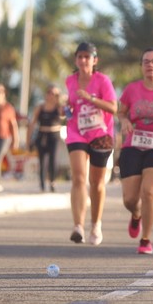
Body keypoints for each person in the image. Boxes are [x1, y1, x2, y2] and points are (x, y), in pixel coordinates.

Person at [118, 48, 153, 255]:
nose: (150, 65)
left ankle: (146, 239)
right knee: (130, 200)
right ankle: (136, 215)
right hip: (133, 144)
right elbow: (121, 111)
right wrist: (124, 121)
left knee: (149, 191)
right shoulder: (132, 89)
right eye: (146, 61)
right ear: (141, 66)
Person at [65, 42, 117, 245]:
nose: (83, 60)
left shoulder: (102, 80)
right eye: (80, 56)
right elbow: (71, 104)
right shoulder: (70, 80)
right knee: (78, 177)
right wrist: (66, 109)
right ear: (76, 59)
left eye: (87, 57)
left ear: (95, 60)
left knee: (96, 183)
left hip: (100, 135)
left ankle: (96, 224)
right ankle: (78, 226)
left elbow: (113, 107)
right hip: (76, 131)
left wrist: (91, 99)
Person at [27, 85, 66, 192]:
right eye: (49, 92)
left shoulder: (59, 108)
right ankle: (42, 183)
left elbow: (65, 116)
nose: (51, 95)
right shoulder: (40, 107)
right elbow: (32, 123)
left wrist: (61, 102)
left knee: (53, 159)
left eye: (54, 94)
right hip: (42, 135)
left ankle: (52, 181)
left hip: (54, 135)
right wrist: (28, 140)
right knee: (42, 160)